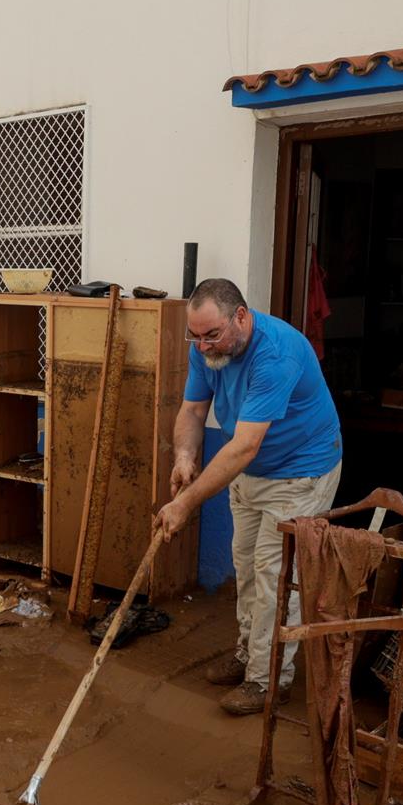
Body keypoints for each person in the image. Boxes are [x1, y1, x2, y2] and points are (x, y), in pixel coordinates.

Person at [153, 278, 343, 716]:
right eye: (195, 337)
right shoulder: (207, 346)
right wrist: (184, 455)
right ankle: (248, 653)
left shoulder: (276, 354)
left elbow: (243, 445)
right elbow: (194, 410)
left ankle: (268, 680)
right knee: (245, 563)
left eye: (212, 335)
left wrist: (184, 503)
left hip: (301, 472)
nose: (203, 346)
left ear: (241, 316)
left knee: (275, 577)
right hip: (249, 473)